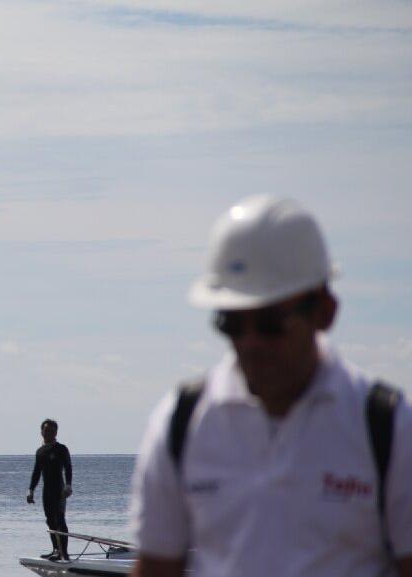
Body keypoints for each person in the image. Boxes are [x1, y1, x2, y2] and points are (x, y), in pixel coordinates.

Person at [129, 195, 412, 577]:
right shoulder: (181, 424)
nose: (250, 342)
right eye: (232, 323)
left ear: (325, 310)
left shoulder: (388, 428)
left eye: (270, 322)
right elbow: (158, 567)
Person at [28, 419, 73, 561]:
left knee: (60, 519)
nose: (48, 433)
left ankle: (64, 552)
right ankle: (55, 550)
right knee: (50, 521)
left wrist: (68, 485)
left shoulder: (61, 449)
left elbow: (68, 468)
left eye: (51, 431)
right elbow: (36, 472)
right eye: (46, 430)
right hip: (46, 491)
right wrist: (31, 490)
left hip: (60, 490)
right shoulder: (40, 451)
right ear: (42, 432)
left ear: (56, 433)